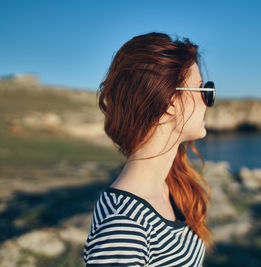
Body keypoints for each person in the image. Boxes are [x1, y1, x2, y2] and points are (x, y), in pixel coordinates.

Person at [83, 32, 216, 266]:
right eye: (203, 90)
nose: (209, 101)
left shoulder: (169, 186)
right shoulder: (123, 227)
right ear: (170, 103)